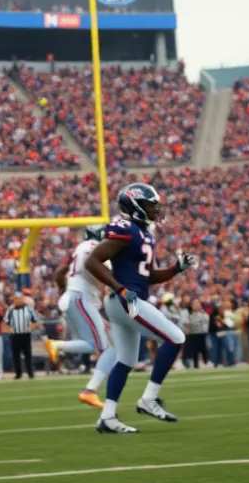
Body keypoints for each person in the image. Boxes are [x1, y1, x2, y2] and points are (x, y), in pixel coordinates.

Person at [84, 183, 198, 434]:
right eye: (149, 205)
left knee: (125, 361)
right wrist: (120, 288)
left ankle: (107, 417)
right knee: (176, 337)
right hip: (125, 300)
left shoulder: (143, 233)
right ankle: (149, 399)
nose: (154, 209)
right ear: (134, 206)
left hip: (125, 300)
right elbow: (92, 261)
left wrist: (175, 269)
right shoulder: (125, 228)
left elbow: (146, 277)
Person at [45, 225, 118, 407]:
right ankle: (89, 390)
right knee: (106, 348)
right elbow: (102, 272)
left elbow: (61, 272)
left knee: (103, 346)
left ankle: (90, 390)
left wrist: (65, 288)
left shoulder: (81, 248)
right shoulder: (93, 248)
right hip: (81, 298)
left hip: (79, 299)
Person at [3, 291, 40, 380]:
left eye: (20, 299)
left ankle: (30, 373)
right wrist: (9, 331)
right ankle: (18, 373)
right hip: (15, 335)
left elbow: (36, 321)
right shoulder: (10, 309)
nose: (18, 301)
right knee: (16, 355)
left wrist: (30, 328)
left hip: (25, 334)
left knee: (27, 354)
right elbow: (5, 322)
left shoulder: (29, 308)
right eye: (16, 299)